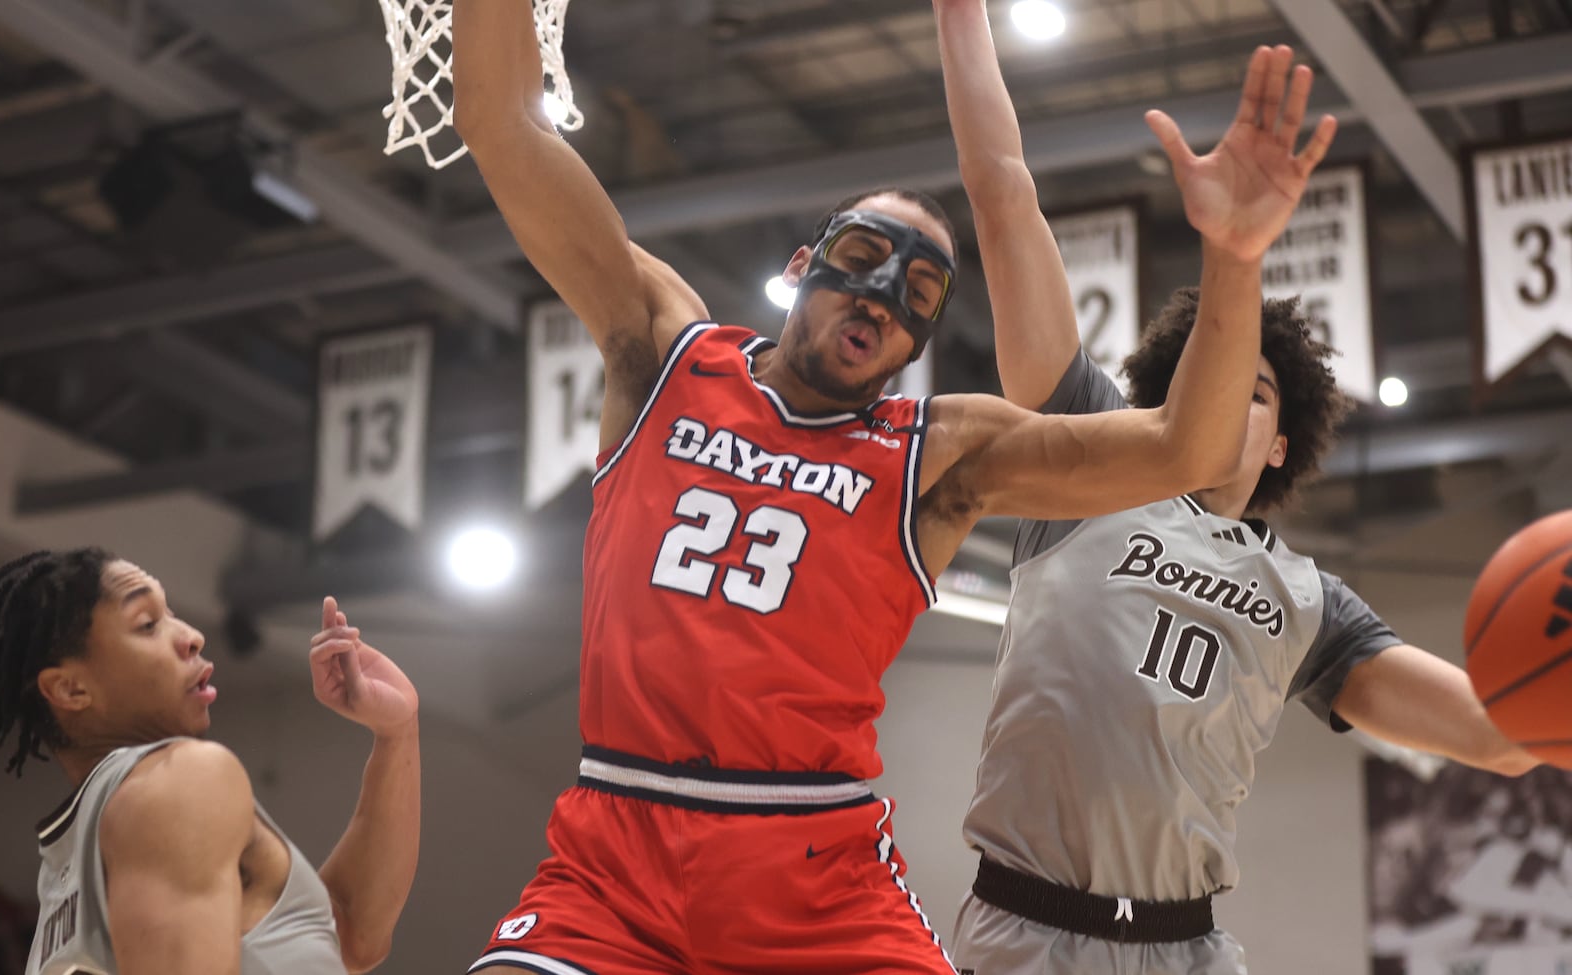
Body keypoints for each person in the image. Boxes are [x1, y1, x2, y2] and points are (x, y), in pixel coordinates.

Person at [450, 0, 1330, 970]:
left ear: (915, 344)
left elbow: (1183, 451)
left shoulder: (938, 454)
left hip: (812, 868)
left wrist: (1235, 259)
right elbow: (504, 125)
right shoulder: (664, 350)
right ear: (802, 268)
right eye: (864, 259)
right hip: (613, 856)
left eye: (916, 296)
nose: (881, 294)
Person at [934, 3, 1543, 970]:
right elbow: (1004, 197)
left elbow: (1500, 732)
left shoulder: (1308, 601)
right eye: (1198, 377)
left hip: (1190, 947)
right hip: (1025, 932)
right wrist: (960, 16)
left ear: (1278, 445)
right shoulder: (1082, 457)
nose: (1218, 396)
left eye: (1250, 389)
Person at [0, 548, 422, 975]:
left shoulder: (66, 877)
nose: (191, 636)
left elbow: (349, 934)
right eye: (147, 623)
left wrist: (397, 733)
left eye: (170, 614)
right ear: (71, 689)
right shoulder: (179, 779)